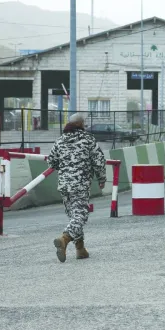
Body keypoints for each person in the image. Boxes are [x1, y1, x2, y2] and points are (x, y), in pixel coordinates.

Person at [48, 113, 107, 263]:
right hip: (80, 184)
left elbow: (51, 162)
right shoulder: (88, 139)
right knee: (81, 216)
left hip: (64, 185)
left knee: (73, 216)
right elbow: (99, 161)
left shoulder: (60, 140)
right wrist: (101, 179)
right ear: (81, 124)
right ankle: (64, 238)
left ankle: (80, 249)